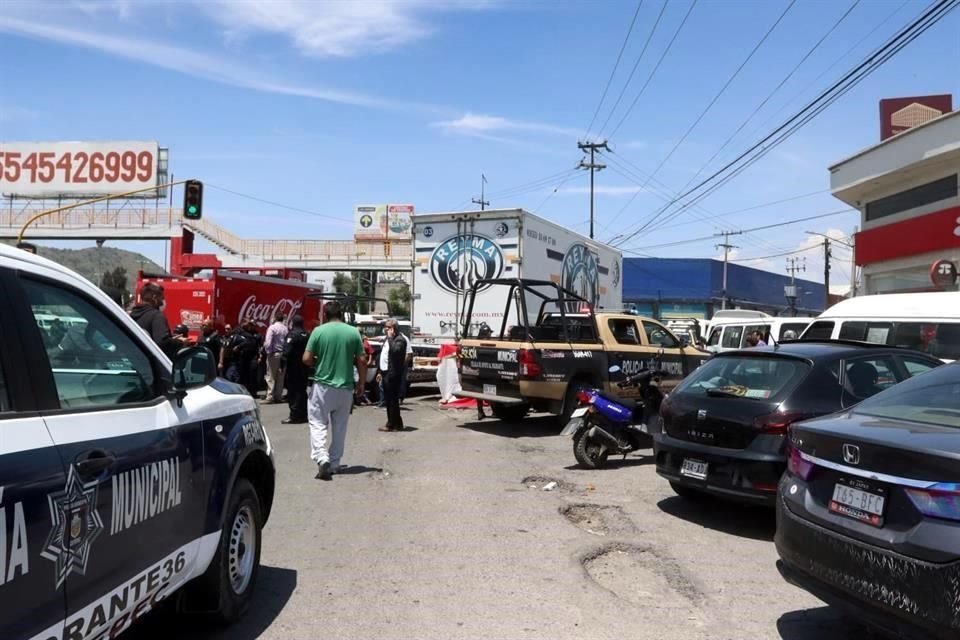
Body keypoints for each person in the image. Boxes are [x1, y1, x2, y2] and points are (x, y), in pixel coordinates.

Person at [303, 301, 367, 481]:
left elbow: (306, 358)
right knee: (340, 427)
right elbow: (362, 360)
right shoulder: (353, 332)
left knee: (317, 423)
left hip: (322, 386)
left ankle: (322, 457)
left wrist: (319, 361)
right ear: (342, 314)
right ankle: (334, 463)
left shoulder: (318, 331)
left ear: (325, 314)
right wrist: (361, 383)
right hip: (345, 388)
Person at [130, 282, 186, 358]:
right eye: (162, 298)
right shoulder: (156, 316)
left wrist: (170, 339)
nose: (162, 302)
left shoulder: (130, 315)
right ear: (154, 297)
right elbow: (162, 344)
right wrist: (179, 342)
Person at [378, 319, 409, 432]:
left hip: (393, 374)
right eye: (385, 327)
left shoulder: (399, 339)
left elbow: (396, 351)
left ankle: (391, 424)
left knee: (392, 400)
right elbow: (383, 356)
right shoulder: (388, 339)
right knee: (390, 399)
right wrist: (380, 372)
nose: (385, 329)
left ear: (394, 328)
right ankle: (396, 423)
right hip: (385, 372)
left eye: (388, 327)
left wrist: (390, 338)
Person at [281, 315, 309, 424]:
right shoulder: (306, 334)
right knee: (302, 391)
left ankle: (294, 416)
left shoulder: (293, 334)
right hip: (304, 366)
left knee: (293, 392)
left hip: (293, 367)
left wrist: (282, 365)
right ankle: (304, 414)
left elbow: (287, 352)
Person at [262, 311, 289, 404]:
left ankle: (270, 396)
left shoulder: (272, 328)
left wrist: (268, 352)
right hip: (283, 354)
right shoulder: (286, 329)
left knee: (271, 376)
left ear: (275, 318)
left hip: (274, 354)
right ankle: (278, 396)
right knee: (280, 376)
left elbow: (268, 343)